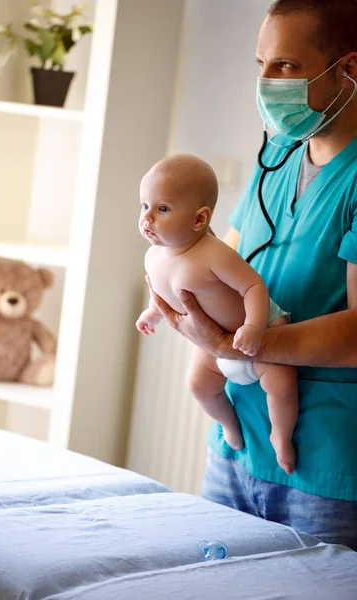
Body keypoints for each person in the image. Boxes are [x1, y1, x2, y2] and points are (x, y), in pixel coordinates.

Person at [146, 0, 357, 550]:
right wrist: (206, 348)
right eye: (260, 63)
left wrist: (235, 346)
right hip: (235, 449)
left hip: (326, 466)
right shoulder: (279, 156)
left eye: (285, 65)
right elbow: (218, 261)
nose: (265, 82)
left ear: (349, 70)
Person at [136, 154, 298, 474]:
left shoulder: (213, 254)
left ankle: (281, 437)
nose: (148, 218)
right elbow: (165, 295)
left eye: (162, 209)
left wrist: (253, 327)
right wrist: (151, 315)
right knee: (198, 384)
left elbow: (254, 287)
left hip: (260, 330)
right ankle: (230, 426)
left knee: (282, 384)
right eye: (144, 206)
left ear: (199, 220)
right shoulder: (154, 257)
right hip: (213, 344)